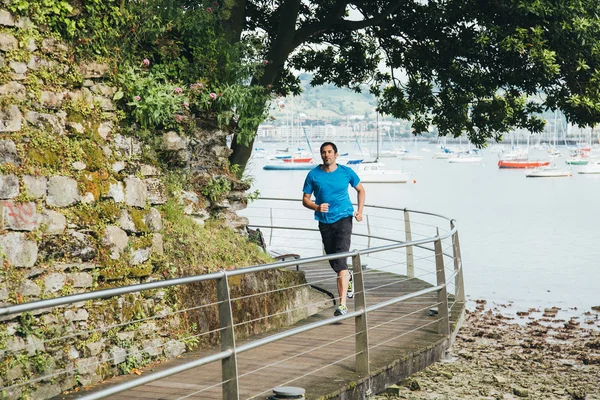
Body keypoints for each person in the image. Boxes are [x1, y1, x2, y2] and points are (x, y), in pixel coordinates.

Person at [302, 142, 365, 316]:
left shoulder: (346, 172)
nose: (326, 155)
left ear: (336, 154)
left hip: (344, 218)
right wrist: (316, 207)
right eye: (323, 152)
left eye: (330, 152)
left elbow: (361, 190)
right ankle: (348, 277)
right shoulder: (313, 175)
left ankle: (343, 305)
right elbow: (305, 199)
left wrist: (359, 211)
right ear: (321, 155)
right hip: (324, 222)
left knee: (340, 259)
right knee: (334, 262)